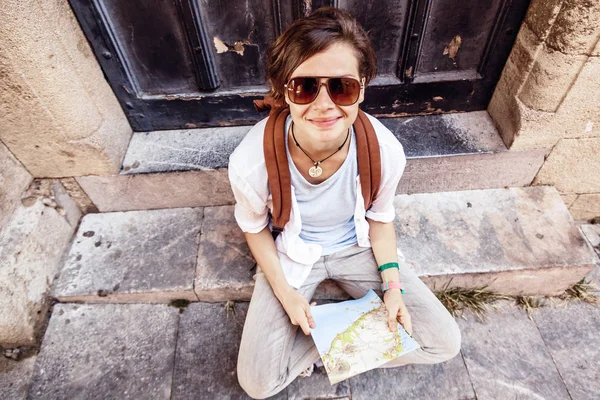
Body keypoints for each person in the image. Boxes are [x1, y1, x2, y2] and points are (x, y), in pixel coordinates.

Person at [228, 7, 461, 399]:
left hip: (357, 248)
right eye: (304, 87)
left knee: (442, 342)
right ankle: (346, 337)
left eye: (341, 87)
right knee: (258, 383)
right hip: (293, 253)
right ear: (284, 90)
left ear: (363, 88)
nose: (323, 105)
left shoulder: (384, 151)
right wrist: (286, 293)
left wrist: (393, 286)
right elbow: (254, 229)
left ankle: (329, 342)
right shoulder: (251, 162)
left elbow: (381, 219)